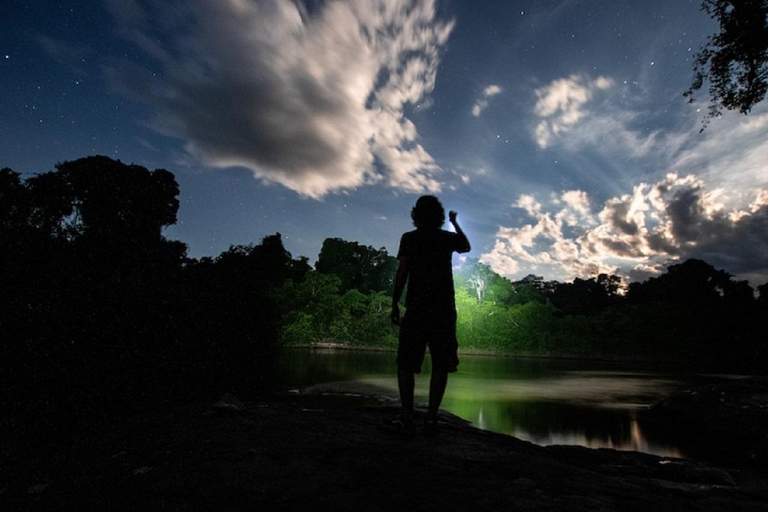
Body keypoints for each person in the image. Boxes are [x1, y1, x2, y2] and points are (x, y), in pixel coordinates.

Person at [389, 195, 470, 436]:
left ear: (416, 215)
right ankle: (432, 418)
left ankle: (407, 417)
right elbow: (465, 246)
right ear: (439, 215)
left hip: (417, 308)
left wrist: (395, 302)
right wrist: (455, 223)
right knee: (440, 364)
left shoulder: (410, 238)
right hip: (443, 309)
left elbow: (402, 271)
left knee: (406, 363)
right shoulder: (446, 238)